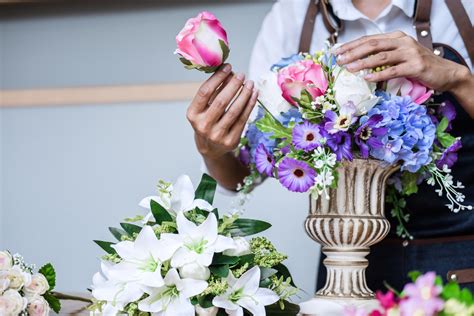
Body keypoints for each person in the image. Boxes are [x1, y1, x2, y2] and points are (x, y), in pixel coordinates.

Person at [186, 0, 474, 292]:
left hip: (461, 272)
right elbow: (242, 174)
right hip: (341, 279)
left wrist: (459, 79)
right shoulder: (292, 15)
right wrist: (213, 151)